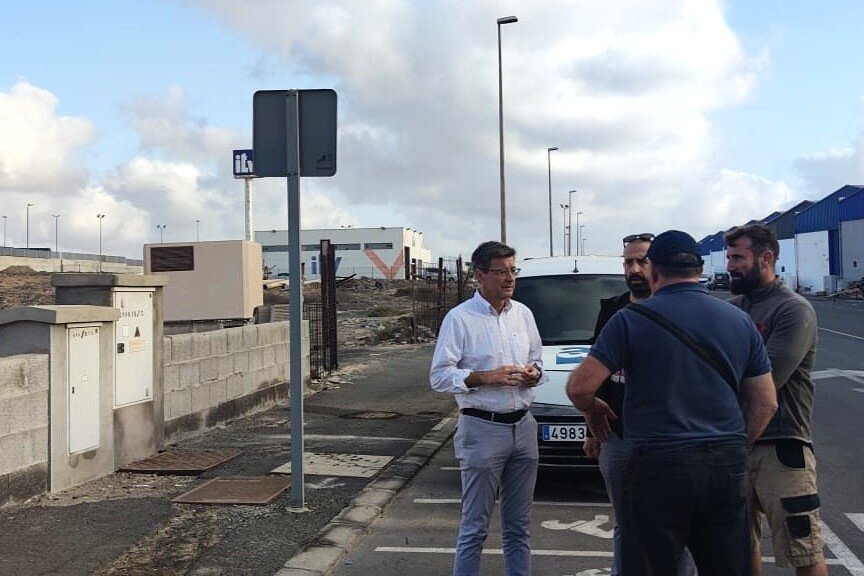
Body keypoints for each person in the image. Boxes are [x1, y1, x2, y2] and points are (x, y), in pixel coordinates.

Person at [566, 230, 778, 576]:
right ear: (699, 270)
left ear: (653, 272)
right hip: (724, 467)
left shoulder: (630, 320)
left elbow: (579, 387)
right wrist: (735, 445)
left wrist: (593, 410)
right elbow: (766, 403)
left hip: (656, 465)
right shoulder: (739, 320)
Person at [584, 233, 697, 576]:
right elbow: (594, 376)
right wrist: (592, 429)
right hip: (618, 436)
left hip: (671, 438)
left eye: (641, 260)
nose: (633, 268)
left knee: (679, 525)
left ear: (658, 265)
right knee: (626, 522)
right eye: (628, 261)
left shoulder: (681, 313)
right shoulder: (612, 310)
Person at [430, 240, 545, 576]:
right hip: (482, 428)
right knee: (475, 527)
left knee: (519, 527)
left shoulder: (523, 314)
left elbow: (536, 360)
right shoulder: (460, 319)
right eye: (501, 272)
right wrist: (484, 377)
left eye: (513, 270)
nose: (509, 278)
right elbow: (439, 377)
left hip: (523, 427)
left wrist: (534, 374)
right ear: (479, 275)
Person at [725, 224, 827, 576]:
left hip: (782, 448)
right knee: (738, 547)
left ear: (765, 258)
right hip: (734, 445)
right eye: (728, 257)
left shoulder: (793, 311)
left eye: (738, 257)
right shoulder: (733, 309)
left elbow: (768, 381)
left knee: (803, 551)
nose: (729, 265)